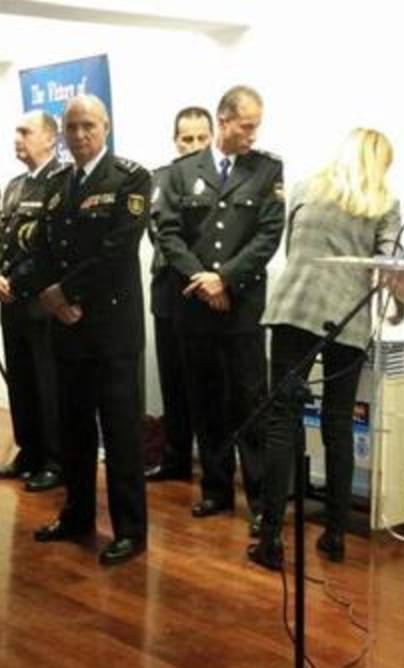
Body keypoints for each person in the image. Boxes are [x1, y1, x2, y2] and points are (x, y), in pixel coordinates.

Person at [248, 128, 401, 571]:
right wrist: (399, 308)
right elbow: (389, 265)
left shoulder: (306, 187)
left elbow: (292, 246)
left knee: (282, 421)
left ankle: (271, 535)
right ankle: (335, 535)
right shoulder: (383, 203)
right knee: (338, 425)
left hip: (294, 307)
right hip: (347, 320)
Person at [155, 86, 284, 534]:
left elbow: (268, 235)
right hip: (195, 306)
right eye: (246, 125)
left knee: (250, 403)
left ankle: (263, 499)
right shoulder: (182, 172)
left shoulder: (267, 170)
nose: (252, 134)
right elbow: (168, 233)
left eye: (256, 126)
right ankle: (215, 489)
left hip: (242, 306)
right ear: (224, 121)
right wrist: (202, 280)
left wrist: (224, 278)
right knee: (205, 401)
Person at [31, 95, 151, 566]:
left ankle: (130, 530)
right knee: (73, 429)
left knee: (121, 435)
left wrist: (65, 293)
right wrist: (51, 296)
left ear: (106, 127)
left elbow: (118, 251)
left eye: (89, 126)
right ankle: (77, 515)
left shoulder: (131, 178)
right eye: (73, 127)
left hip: (110, 329)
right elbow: (39, 243)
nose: (80, 135)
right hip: (67, 326)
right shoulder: (60, 184)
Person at [0, 111, 63, 491]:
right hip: (11, 300)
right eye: (16, 130)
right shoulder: (15, 186)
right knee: (20, 380)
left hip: (40, 300)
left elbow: (48, 246)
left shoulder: (61, 182)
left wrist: (14, 279)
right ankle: (28, 450)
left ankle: (54, 458)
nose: (17, 138)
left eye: (25, 132)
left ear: (50, 138)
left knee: (48, 382)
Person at [145, 106, 213, 483]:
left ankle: (213, 468)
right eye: (187, 138)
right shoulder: (160, 179)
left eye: (202, 138)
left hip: (202, 289)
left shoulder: (222, 180)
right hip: (167, 289)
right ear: (175, 141)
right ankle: (175, 459)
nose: (194, 145)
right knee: (172, 380)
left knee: (203, 385)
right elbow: (158, 233)